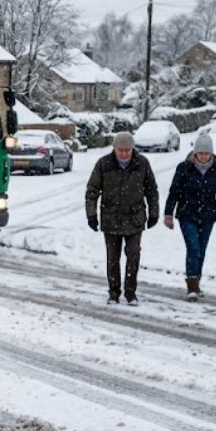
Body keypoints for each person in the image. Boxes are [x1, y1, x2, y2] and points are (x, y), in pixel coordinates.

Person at [85, 131, 159, 306]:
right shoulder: (104, 164)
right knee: (113, 258)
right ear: (114, 149)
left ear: (132, 149)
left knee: (133, 255)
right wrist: (91, 214)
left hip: (135, 219)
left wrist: (154, 213)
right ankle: (114, 292)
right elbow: (92, 191)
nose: (124, 153)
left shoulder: (142, 163)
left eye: (127, 150)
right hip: (111, 218)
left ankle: (131, 293)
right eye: (121, 150)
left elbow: (151, 190)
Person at [164, 133, 216, 301]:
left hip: (208, 216)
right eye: (200, 153)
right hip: (187, 214)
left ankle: (197, 281)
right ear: (195, 153)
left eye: (206, 153)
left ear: (211, 154)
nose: (203, 156)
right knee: (193, 248)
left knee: (201, 251)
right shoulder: (184, 168)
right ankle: (192, 287)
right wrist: (168, 214)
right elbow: (174, 191)